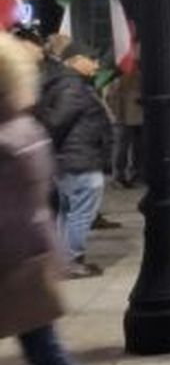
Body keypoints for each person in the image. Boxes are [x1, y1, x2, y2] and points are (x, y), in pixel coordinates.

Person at [0, 33, 103, 365]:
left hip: (11, 261)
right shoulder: (24, 127)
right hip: (30, 257)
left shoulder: (5, 137)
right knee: (46, 352)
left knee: (46, 353)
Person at [37, 43, 111, 278]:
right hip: (79, 160)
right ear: (75, 60)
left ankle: (64, 259)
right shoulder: (73, 88)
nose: (97, 64)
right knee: (80, 213)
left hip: (70, 159)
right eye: (92, 59)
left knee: (68, 212)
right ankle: (71, 260)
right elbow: (56, 123)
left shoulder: (65, 84)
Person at [105, 65, 142, 188]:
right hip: (126, 118)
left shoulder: (125, 78)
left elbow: (111, 98)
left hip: (128, 118)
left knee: (127, 147)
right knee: (123, 147)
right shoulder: (123, 79)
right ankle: (121, 175)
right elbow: (112, 98)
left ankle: (123, 175)